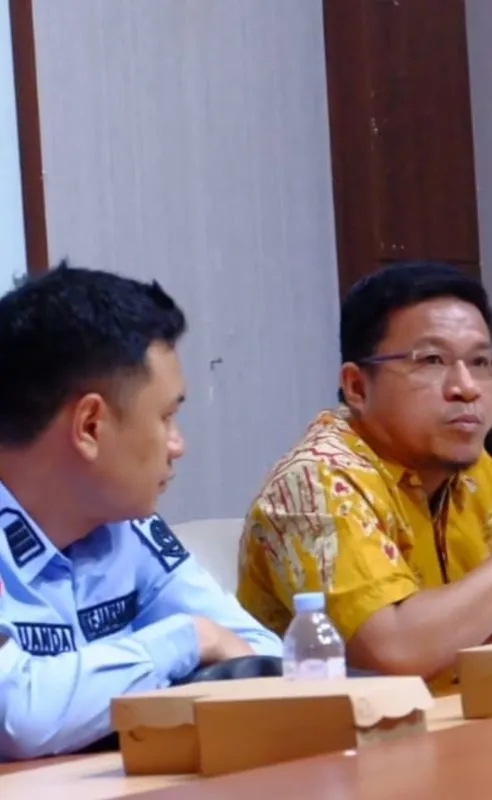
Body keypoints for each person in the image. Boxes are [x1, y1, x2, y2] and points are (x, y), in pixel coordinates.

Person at [238, 263, 492, 693]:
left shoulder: (485, 472)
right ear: (356, 387)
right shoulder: (315, 483)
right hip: (344, 732)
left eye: (480, 362)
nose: (466, 387)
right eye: (431, 361)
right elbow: (394, 652)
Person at [0, 264, 281, 761]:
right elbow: (18, 716)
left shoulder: (127, 526)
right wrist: (185, 640)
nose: (178, 445)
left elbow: (259, 655)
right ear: (90, 426)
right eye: (166, 417)